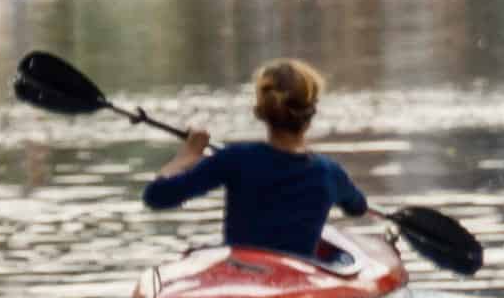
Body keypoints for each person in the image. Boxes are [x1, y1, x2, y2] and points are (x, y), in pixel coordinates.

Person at [144, 57, 382, 266]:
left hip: (240, 274)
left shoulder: (234, 159)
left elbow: (156, 196)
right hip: (298, 277)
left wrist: (187, 156)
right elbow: (357, 207)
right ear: (312, 112)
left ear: (261, 111)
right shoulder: (329, 172)